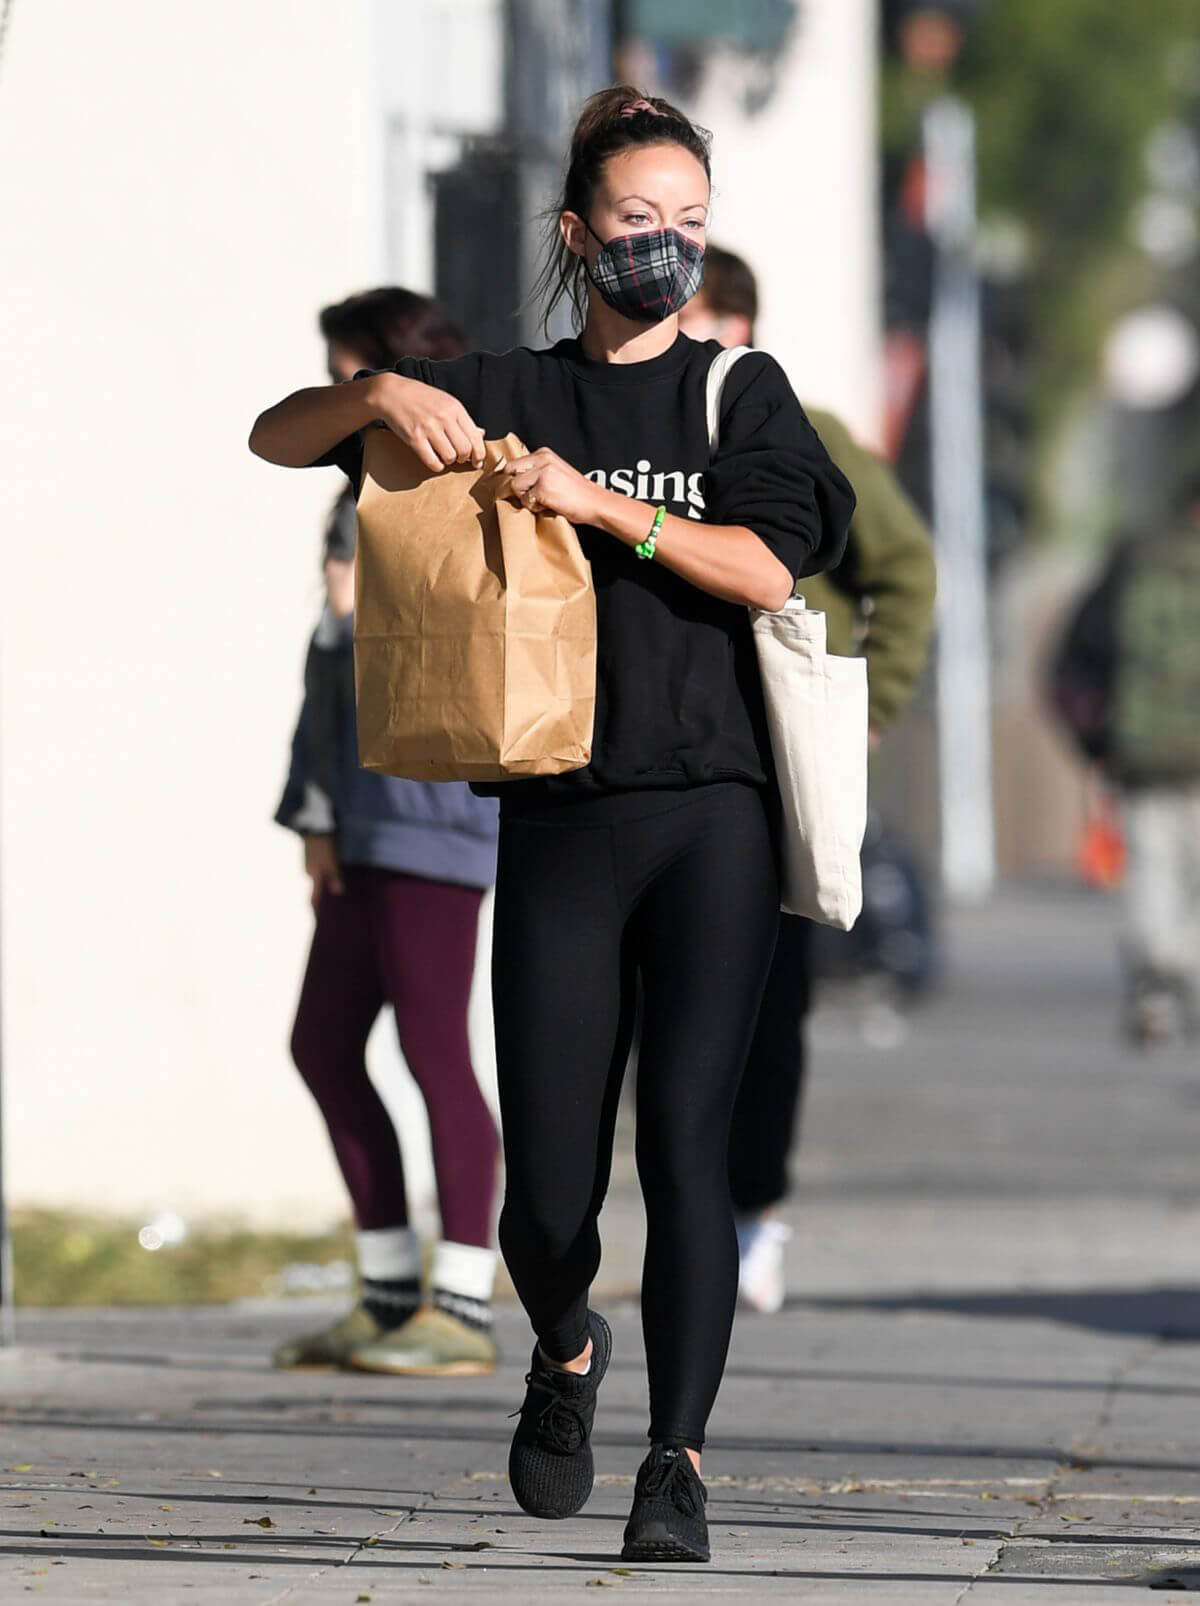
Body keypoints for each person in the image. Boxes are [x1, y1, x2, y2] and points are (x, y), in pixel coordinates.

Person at [251, 86, 855, 1564]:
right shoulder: (513, 384)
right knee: (551, 1187)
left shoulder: (739, 395)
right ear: (579, 234)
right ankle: (565, 1339)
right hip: (561, 818)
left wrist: (598, 504)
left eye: (690, 227)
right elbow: (278, 437)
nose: (665, 251)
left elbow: (771, 566)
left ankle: (679, 1461)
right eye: (639, 224)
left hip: (711, 808)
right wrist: (380, 399)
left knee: (686, 1150)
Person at [680, 247, 937, 1314]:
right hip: (672, 751)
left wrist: (868, 712)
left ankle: (756, 1212)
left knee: (770, 998)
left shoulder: (810, 432)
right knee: (669, 999)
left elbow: (907, 568)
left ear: (741, 328)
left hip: (783, 753)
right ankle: (686, 1211)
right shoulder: (638, 429)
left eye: (698, 325)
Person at [273, 288, 502, 1377]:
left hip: (433, 807)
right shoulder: (349, 482)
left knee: (432, 1046)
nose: (341, 393)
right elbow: (327, 675)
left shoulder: (452, 479)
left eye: (354, 373)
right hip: (359, 812)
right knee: (322, 1042)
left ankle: (461, 1303)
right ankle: (387, 1287)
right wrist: (312, 809)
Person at [1049, 492, 1200, 1047]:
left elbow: (1074, 661)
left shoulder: (1136, 564)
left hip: (1144, 751)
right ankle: (1180, 972)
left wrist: (1097, 742)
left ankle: (1157, 983)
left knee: (1154, 869)